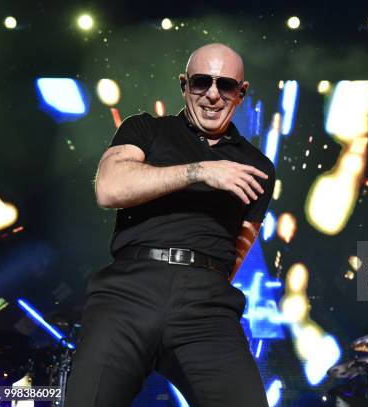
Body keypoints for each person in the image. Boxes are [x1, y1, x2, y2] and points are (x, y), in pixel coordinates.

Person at [65, 43, 275, 407]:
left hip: (207, 304)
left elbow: (241, 246)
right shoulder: (145, 129)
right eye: (201, 82)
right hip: (129, 291)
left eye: (224, 85)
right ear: (184, 84)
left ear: (241, 93)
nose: (212, 94)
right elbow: (109, 188)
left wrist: (201, 281)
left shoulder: (256, 166)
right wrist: (201, 171)